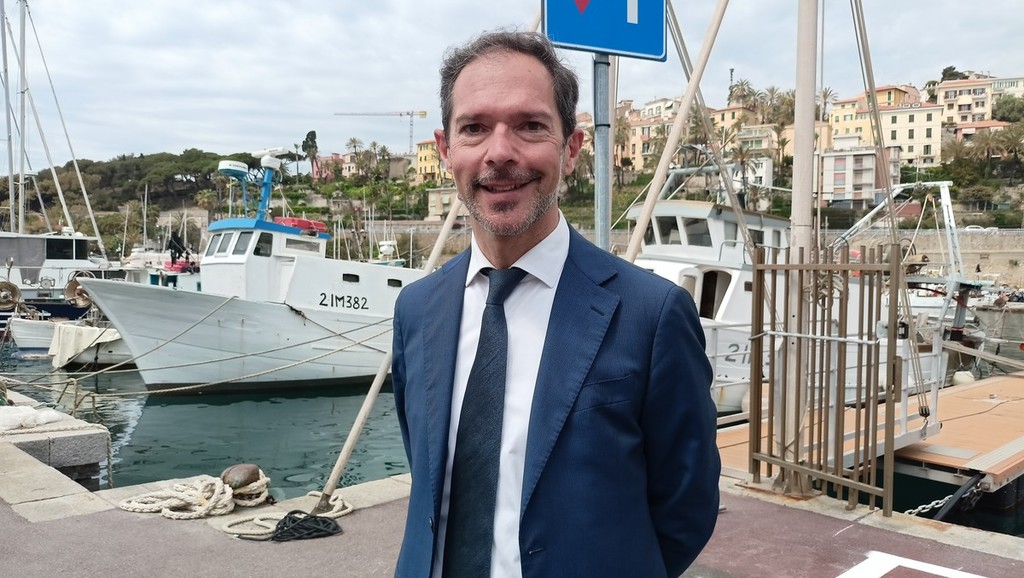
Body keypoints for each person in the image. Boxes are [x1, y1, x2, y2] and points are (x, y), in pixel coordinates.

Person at [391, 30, 720, 578]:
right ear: (446, 149)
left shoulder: (652, 315)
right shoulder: (417, 310)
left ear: (570, 148)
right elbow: (426, 473)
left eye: (530, 125)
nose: (500, 152)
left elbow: (686, 507)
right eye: (474, 128)